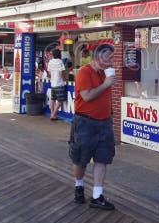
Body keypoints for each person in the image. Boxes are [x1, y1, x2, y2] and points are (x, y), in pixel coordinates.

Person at [69, 43, 117, 210]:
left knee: (102, 158)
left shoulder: (106, 73)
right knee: (80, 158)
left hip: (104, 122)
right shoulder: (84, 72)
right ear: (98, 57)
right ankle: (79, 185)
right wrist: (106, 84)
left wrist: (110, 113)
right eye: (109, 57)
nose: (112, 61)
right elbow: (87, 96)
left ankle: (97, 195)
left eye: (113, 57)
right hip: (85, 122)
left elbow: (104, 97)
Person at [47, 48, 66, 121]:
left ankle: (52, 114)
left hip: (53, 84)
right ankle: (53, 114)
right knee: (60, 100)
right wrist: (64, 79)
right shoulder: (60, 62)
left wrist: (53, 77)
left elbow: (49, 73)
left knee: (52, 99)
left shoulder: (50, 62)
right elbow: (61, 73)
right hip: (59, 83)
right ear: (59, 54)